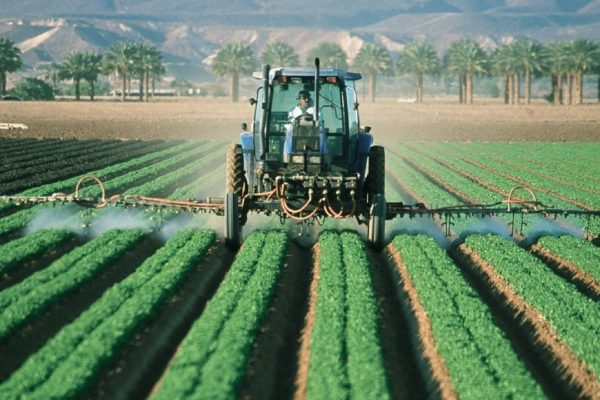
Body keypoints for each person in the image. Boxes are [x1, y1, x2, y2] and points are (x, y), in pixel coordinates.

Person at [283, 90, 327, 161]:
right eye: (304, 98)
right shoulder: (293, 111)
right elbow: (289, 123)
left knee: (321, 133)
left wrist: (309, 122)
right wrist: (293, 124)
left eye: (307, 98)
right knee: (289, 133)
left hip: (313, 133)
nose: (306, 100)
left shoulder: (316, 109)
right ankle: (288, 158)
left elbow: (319, 122)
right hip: (297, 133)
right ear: (299, 100)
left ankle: (322, 157)